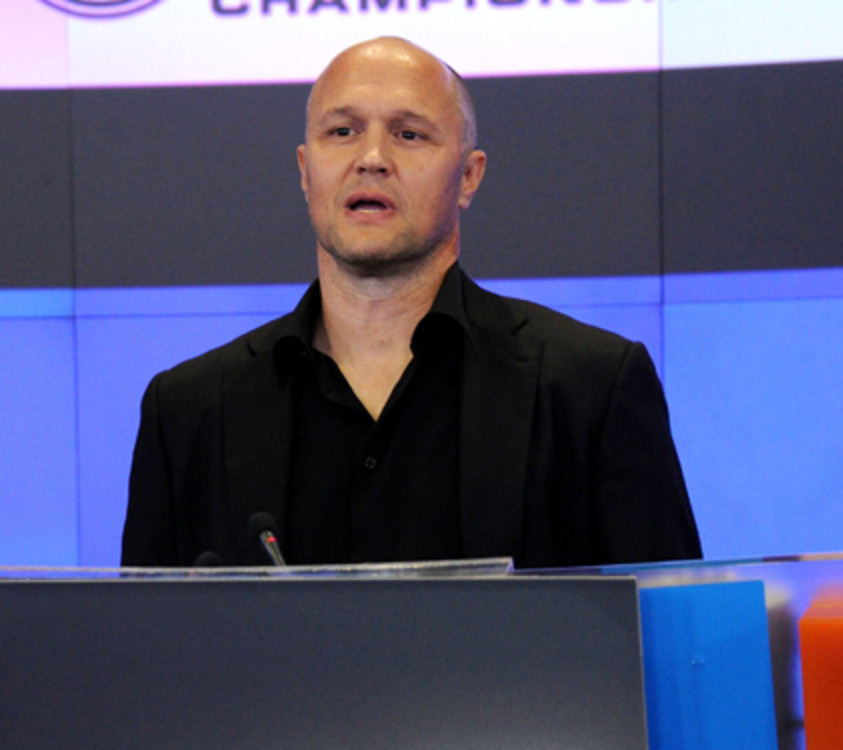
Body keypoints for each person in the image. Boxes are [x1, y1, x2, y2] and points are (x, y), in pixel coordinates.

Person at [121, 37, 701, 568]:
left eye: (409, 134)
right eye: (342, 132)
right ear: (305, 171)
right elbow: (145, 658)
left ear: (468, 177)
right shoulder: (189, 411)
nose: (371, 158)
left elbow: (672, 642)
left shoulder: (590, 388)